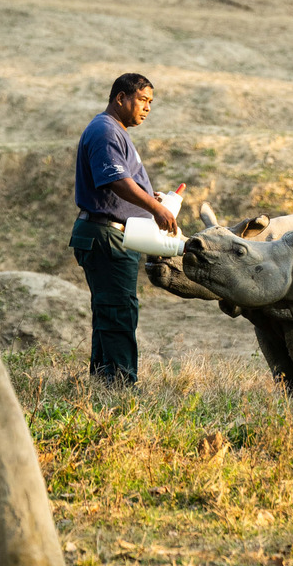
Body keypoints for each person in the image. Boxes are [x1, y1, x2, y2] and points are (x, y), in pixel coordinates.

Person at [69, 73, 178, 386]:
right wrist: (154, 208)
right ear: (120, 98)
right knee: (118, 311)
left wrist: (150, 196)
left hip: (111, 234)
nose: (147, 108)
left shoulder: (115, 131)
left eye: (151, 103)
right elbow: (115, 180)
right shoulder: (105, 130)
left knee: (110, 310)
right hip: (107, 235)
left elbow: (125, 183)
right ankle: (121, 387)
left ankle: (104, 384)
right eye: (142, 100)